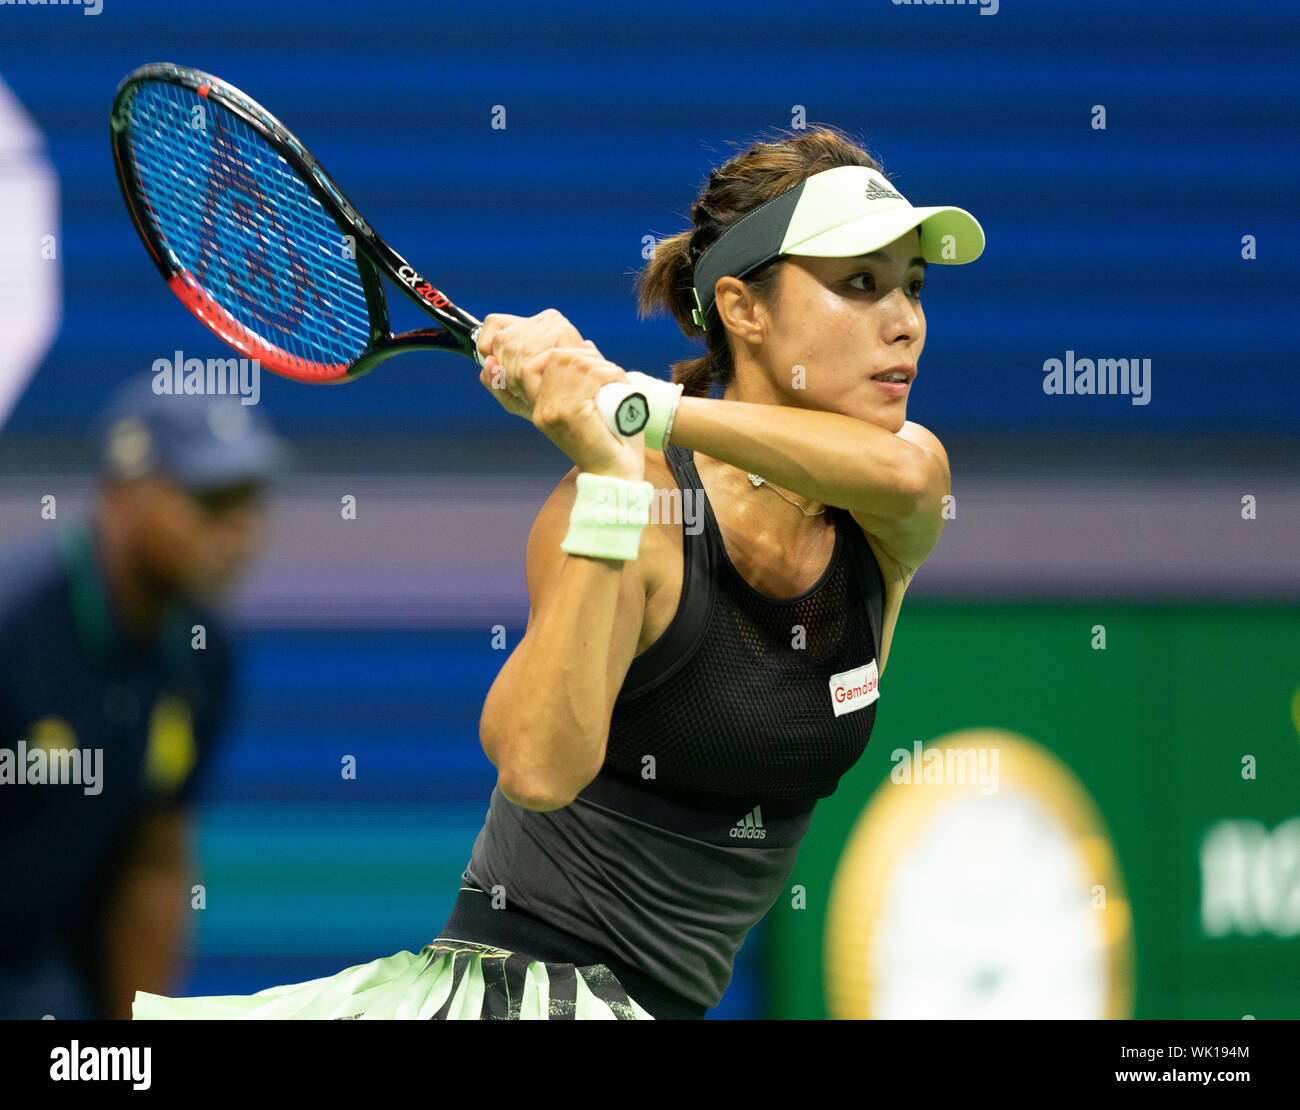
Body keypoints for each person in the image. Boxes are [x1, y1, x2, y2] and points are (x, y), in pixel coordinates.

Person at [131, 124, 983, 1020]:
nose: (905, 320)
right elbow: (536, 766)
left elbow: (908, 472)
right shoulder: (634, 507)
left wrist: (634, 405)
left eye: (913, 287)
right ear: (744, 309)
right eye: (860, 283)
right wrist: (614, 475)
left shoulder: (888, 501)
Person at [0, 374, 285, 1019]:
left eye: (250, 501)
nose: (240, 531)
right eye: (211, 500)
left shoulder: (206, 653)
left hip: (47, 979)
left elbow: (154, 862)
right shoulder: (14, 628)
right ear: (122, 495)